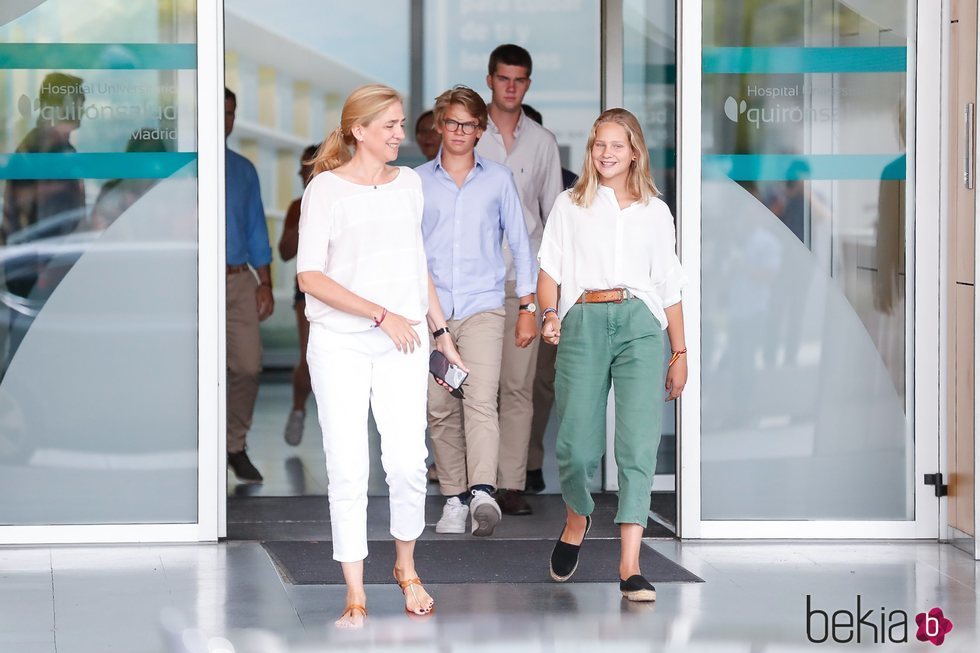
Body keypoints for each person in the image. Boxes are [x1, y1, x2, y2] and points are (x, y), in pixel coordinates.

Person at [296, 83, 465, 628]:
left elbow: (418, 269)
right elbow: (309, 276)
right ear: (358, 131)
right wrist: (379, 313)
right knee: (348, 467)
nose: (401, 133)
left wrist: (442, 333)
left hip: (407, 340)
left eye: (399, 124)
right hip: (341, 342)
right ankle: (354, 592)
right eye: (390, 125)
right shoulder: (325, 190)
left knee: (408, 462)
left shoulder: (409, 185)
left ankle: (406, 568)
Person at [538, 108, 687, 602]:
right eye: (599, 144)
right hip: (582, 319)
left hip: (641, 326)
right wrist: (549, 313)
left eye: (616, 145)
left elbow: (669, 284)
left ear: (634, 151)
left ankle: (630, 565)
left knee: (638, 445)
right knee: (576, 447)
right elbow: (549, 271)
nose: (606, 154)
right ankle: (578, 517)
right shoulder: (570, 203)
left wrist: (680, 349)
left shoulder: (655, 211)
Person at [417, 86, 537, 536]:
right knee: (440, 406)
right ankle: (454, 498)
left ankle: (483, 492)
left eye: (469, 124)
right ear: (439, 125)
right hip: (431, 314)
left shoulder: (499, 179)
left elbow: (521, 246)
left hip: (484, 307)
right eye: (452, 123)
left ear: (481, 129)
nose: (460, 132)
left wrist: (528, 304)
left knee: (482, 399)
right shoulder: (416, 182)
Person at [475, 44, 563, 516]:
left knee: (517, 386)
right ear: (490, 79)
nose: (511, 86)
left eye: (520, 79)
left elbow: (553, 218)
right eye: (504, 78)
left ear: (528, 84)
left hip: (521, 285)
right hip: (470, 284)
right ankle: (475, 483)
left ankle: (509, 485)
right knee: (474, 388)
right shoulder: (470, 136)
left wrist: (548, 294)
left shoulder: (543, 142)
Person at [520, 103, 579, 495]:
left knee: (540, 382)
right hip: (505, 287)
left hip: (550, 294)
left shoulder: (574, 187)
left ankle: (530, 462)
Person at [224, 87, 275, 483]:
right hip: (189, 282)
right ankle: (197, 450)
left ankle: (234, 445)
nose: (225, 120)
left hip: (238, 278)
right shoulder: (181, 166)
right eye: (218, 111)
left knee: (246, 365)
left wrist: (266, 282)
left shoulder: (242, 169)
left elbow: (257, 228)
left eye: (230, 113)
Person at [277, 143, 319, 446]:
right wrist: (305, 217)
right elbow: (284, 252)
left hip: (343, 290)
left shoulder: (344, 199)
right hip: (307, 290)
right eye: (303, 173)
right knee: (308, 357)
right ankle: (299, 408)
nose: (308, 178)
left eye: (313, 171)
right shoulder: (298, 206)